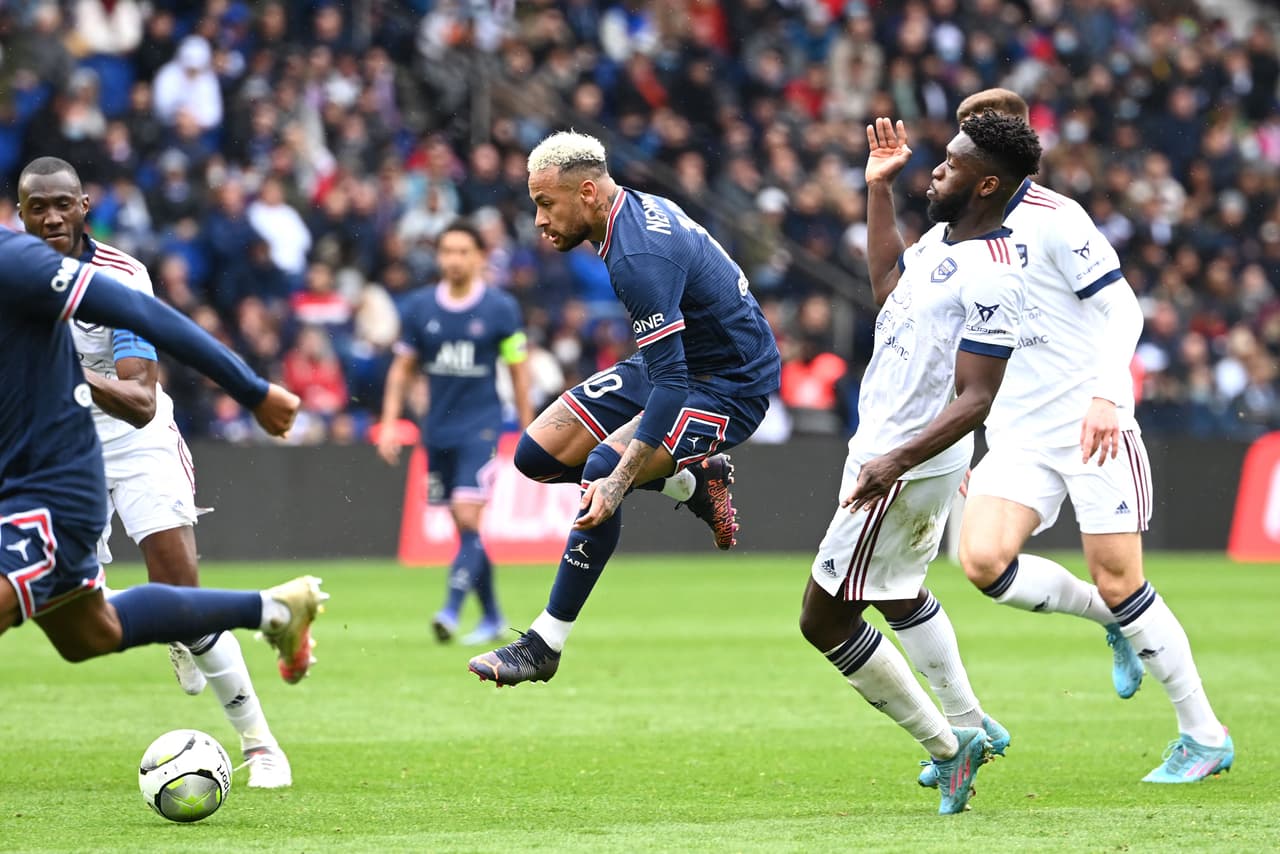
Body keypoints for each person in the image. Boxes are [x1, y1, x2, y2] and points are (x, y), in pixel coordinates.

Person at [945, 88, 1231, 783]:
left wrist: (1107, 396)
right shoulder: (957, 232)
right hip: (1016, 435)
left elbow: (1124, 310)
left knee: (1121, 578)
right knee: (981, 562)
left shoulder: (1057, 219)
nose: (950, 158)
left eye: (966, 144)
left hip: (1088, 425)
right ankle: (1110, 619)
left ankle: (1204, 734)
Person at [16, 156, 294, 789]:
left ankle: (260, 745)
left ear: (85, 207)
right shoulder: (11, 279)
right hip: (56, 450)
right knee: (74, 610)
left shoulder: (121, 276)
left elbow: (140, 401)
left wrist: (63, 373)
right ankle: (164, 618)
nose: (53, 217)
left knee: (184, 591)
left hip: (133, 440)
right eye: (38, 207)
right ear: (20, 215)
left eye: (64, 204)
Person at [467, 130, 781, 687]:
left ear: (586, 192)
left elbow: (672, 383)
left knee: (602, 470)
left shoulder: (638, 255)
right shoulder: (626, 213)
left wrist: (617, 481)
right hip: (677, 360)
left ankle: (545, 643)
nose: (539, 220)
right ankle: (692, 482)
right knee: (536, 455)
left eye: (546, 203)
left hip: (730, 384)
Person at [800, 113, 1040, 815]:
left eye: (953, 163)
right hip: (892, 447)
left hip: (905, 457)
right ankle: (970, 720)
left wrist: (894, 461)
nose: (936, 168)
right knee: (897, 591)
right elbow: (887, 286)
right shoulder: (941, 239)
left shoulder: (995, 277)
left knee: (823, 621)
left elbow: (978, 398)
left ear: (987, 184)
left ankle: (948, 745)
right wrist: (878, 189)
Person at [0, 220, 326, 690]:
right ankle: (271, 609)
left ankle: (254, 723)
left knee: (174, 585)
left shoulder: (21, 262)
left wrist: (251, 390)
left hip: (68, 471)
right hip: (24, 467)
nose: (51, 218)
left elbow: (143, 325)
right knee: (88, 634)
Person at [377, 219, 535, 645]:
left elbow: (518, 369)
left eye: (464, 251)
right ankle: (494, 617)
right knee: (466, 530)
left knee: (467, 515)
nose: (454, 259)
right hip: (437, 431)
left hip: (481, 427)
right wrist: (389, 423)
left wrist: (528, 427)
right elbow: (402, 369)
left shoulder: (501, 308)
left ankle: (450, 610)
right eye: (447, 251)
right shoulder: (419, 308)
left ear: (480, 257)